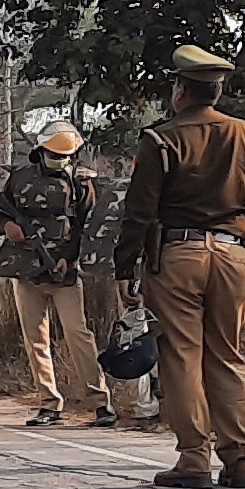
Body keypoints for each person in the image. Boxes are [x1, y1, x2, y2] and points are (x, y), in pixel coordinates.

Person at [114, 45, 245, 489]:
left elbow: (139, 212)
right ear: (217, 90)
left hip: (177, 255)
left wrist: (124, 268)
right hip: (233, 256)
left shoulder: (160, 139)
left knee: (182, 355)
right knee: (227, 354)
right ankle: (238, 459)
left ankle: (193, 458)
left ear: (180, 90)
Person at [0, 117, 100, 428]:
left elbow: (87, 227)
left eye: (65, 156)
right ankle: (49, 403)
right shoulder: (19, 178)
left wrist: (70, 259)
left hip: (64, 273)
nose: (59, 161)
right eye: (54, 154)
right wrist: (7, 226)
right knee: (35, 338)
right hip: (25, 270)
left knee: (78, 334)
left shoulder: (81, 183)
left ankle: (100, 402)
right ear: (40, 150)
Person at [76, 116, 153, 428]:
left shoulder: (126, 194)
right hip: (159, 270)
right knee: (156, 337)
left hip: (141, 272)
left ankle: (147, 407)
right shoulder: (146, 193)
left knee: (139, 335)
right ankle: (155, 406)